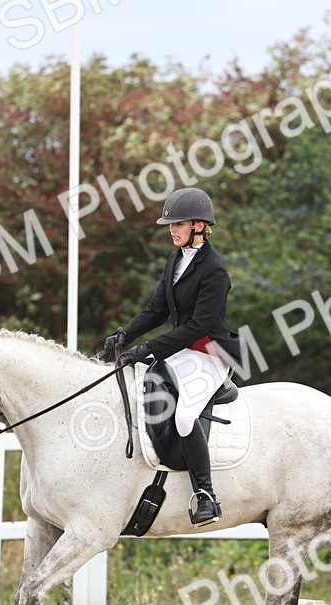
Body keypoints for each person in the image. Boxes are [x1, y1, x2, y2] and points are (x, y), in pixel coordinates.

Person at [104, 188, 243, 527]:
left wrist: (149, 349)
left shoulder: (214, 271)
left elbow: (198, 326)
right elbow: (157, 310)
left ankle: (206, 495)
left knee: (183, 417)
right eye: (170, 224)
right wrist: (126, 334)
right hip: (181, 351)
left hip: (209, 353)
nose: (171, 229)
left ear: (198, 225)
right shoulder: (176, 260)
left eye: (177, 224)